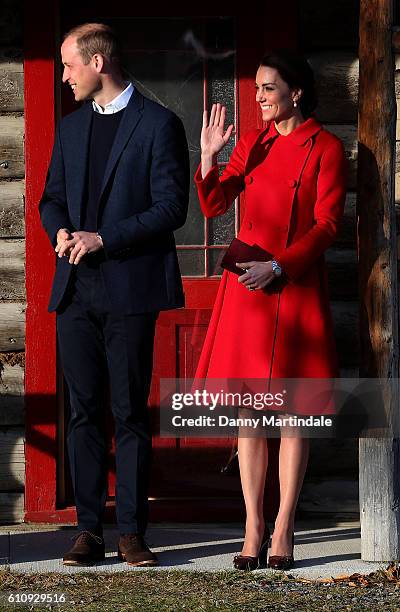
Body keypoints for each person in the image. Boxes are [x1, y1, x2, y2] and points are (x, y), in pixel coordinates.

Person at [39, 22, 189, 566]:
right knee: (82, 413)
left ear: (97, 63)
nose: (63, 77)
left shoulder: (159, 124)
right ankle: (89, 530)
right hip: (75, 290)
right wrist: (59, 231)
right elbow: (50, 198)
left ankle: (130, 532)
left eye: (68, 65)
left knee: (127, 413)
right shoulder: (71, 128)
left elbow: (173, 208)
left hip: (130, 289)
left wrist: (103, 237)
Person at [194, 49, 347, 570]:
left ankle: (284, 526)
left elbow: (327, 225)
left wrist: (280, 268)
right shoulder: (255, 142)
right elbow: (216, 205)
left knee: (292, 414)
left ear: (295, 92)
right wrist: (210, 157)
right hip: (247, 291)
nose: (257, 97)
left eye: (267, 88)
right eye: (257, 88)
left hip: (293, 286)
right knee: (249, 412)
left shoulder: (326, 147)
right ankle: (253, 526)